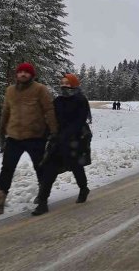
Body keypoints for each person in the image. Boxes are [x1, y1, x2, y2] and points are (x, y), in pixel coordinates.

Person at [0, 63, 58, 215]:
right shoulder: (10, 91)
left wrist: (54, 132)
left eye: (26, 72)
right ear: (16, 75)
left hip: (36, 137)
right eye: (20, 72)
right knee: (6, 169)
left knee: (40, 168)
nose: (23, 74)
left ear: (32, 75)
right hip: (14, 137)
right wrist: (1, 131)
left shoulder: (40, 89)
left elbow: (49, 110)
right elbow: (6, 111)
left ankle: (42, 200)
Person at [33, 73, 92, 216]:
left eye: (67, 83)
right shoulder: (58, 100)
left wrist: (66, 135)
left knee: (76, 167)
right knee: (49, 169)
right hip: (58, 142)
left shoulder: (80, 100)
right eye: (62, 83)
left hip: (75, 141)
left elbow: (79, 121)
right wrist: (47, 133)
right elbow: (52, 119)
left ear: (74, 84)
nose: (64, 85)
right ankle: (42, 202)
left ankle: (83, 188)